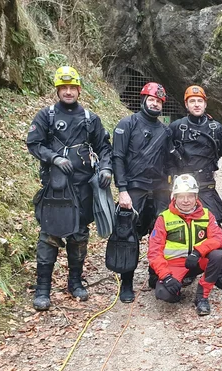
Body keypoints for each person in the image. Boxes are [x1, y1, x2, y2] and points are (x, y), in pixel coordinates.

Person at [27, 66, 113, 311]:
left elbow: (105, 148)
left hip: (83, 187)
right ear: (57, 90)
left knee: (78, 235)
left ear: (78, 89)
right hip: (55, 189)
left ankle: (74, 281)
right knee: (49, 236)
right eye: (63, 88)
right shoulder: (47, 116)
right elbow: (33, 143)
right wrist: (54, 158)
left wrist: (106, 169)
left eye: (71, 87)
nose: (67, 92)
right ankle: (42, 289)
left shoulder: (90, 118)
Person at [112, 82, 175, 303]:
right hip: (134, 188)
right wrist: (122, 190)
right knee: (128, 236)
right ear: (143, 100)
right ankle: (127, 283)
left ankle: (154, 274)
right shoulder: (127, 124)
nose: (155, 103)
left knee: (159, 234)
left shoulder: (165, 131)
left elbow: (169, 162)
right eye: (151, 100)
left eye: (159, 101)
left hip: (158, 189)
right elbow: (117, 157)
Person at [169, 85, 222, 290]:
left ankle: (217, 271)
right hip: (184, 189)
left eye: (200, 101)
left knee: (215, 227)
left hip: (206, 186)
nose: (196, 105)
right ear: (186, 105)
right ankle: (185, 269)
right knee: (182, 229)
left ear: (205, 104)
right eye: (192, 101)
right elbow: (164, 154)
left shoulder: (216, 128)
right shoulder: (177, 127)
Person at [147, 174, 222, 315]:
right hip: (174, 265)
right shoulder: (164, 218)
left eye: (190, 196)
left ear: (196, 197)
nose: (185, 201)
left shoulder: (207, 215)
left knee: (219, 255)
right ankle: (176, 285)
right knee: (165, 295)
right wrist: (166, 276)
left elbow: (218, 239)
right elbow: (154, 252)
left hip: (197, 261)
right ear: (174, 197)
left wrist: (198, 252)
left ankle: (202, 297)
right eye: (181, 196)